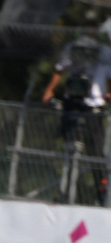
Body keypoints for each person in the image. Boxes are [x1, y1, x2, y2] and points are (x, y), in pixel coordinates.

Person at [42, 22, 111, 203]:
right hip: (72, 104)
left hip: (93, 108)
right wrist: (49, 90)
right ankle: (67, 192)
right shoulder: (71, 48)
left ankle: (101, 193)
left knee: (96, 153)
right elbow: (59, 69)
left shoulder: (105, 53)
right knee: (70, 149)